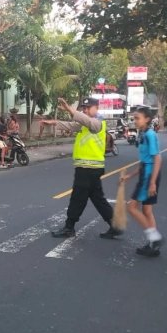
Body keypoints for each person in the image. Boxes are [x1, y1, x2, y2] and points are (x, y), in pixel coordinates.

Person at [40, 98, 122, 240]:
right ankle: (115, 225)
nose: (85, 110)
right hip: (89, 168)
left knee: (78, 198)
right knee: (97, 198)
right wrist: (53, 122)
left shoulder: (97, 123)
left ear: (96, 108)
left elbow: (85, 120)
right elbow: (71, 125)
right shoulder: (85, 124)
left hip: (88, 169)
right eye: (83, 108)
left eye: (88, 107)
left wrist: (69, 109)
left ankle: (69, 227)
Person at [120, 107, 163, 257]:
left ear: (147, 119)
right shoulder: (143, 134)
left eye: (137, 118)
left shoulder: (150, 134)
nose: (135, 121)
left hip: (149, 175)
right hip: (146, 172)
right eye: (134, 118)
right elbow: (145, 160)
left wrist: (152, 182)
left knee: (131, 207)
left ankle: (155, 238)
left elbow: (157, 159)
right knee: (146, 210)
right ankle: (153, 245)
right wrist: (131, 175)